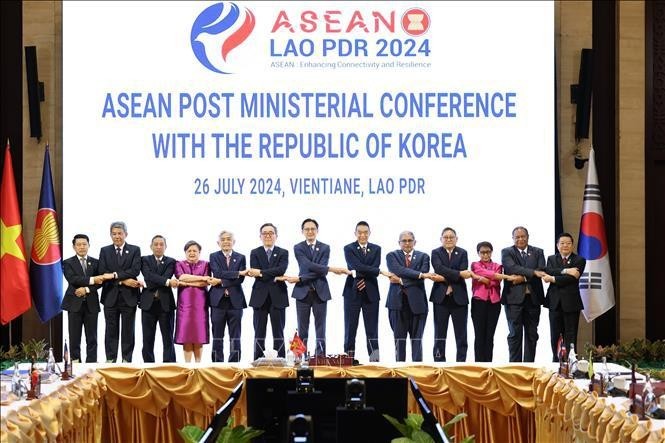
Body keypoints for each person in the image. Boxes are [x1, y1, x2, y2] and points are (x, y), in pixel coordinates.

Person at [285, 218, 349, 357]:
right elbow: (308, 265)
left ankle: (320, 357)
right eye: (307, 229)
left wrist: (302, 277)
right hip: (302, 292)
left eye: (313, 229)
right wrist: (330, 269)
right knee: (302, 328)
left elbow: (319, 270)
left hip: (320, 292)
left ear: (317, 231)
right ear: (302, 231)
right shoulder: (298, 247)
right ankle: (300, 357)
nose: (310, 231)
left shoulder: (325, 247)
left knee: (321, 328)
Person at [98, 221, 142, 363]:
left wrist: (115, 276)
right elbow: (103, 272)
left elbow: (134, 270)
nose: (117, 236)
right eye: (114, 234)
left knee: (128, 330)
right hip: (110, 296)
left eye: (120, 233)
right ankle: (110, 359)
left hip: (129, 297)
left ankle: (126, 359)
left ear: (126, 234)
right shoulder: (105, 251)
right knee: (111, 330)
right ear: (110, 235)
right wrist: (123, 280)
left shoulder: (135, 250)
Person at [501, 226, 546, 362]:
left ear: (527, 237)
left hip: (533, 299)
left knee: (532, 334)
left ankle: (529, 366)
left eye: (523, 236)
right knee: (515, 334)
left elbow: (541, 269)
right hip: (513, 299)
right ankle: (514, 368)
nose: (520, 239)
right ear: (513, 238)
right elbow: (511, 268)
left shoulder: (538, 251)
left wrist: (523, 278)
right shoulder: (507, 252)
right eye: (517, 237)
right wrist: (532, 273)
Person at [385, 231, 432, 362]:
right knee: (399, 342)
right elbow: (398, 270)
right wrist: (419, 275)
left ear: (414, 242)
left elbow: (423, 274)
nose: (407, 243)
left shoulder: (424, 256)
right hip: (397, 303)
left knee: (417, 341)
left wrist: (401, 281)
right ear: (399, 243)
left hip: (418, 304)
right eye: (404, 241)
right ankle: (400, 372)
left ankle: (417, 371)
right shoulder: (391, 256)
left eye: (410, 240)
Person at [542, 233, 586, 362]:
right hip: (554, 302)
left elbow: (572, 279)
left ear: (572, 245)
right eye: (562, 243)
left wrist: (553, 279)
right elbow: (547, 270)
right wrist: (565, 271)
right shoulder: (551, 258)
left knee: (571, 334)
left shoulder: (579, 260)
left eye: (568, 243)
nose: (565, 245)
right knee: (554, 335)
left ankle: (571, 362)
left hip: (571, 303)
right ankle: (556, 361)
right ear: (557, 245)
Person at [247, 223, 289, 360]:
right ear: (260, 236)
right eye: (265, 233)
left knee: (279, 332)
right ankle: (257, 360)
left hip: (278, 296)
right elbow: (254, 270)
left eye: (271, 233)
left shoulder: (283, 252)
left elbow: (281, 270)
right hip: (260, 297)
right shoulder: (255, 252)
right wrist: (266, 274)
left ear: (276, 236)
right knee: (259, 332)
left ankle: (281, 360)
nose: (268, 235)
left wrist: (261, 273)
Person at [429, 227, 472, 362]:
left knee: (461, 334)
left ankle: (461, 363)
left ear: (456, 239)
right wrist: (458, 274)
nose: (448, 239)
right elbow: (439, 268)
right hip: (440, 299)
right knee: (439, 334)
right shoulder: (435, 252)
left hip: (459, 298)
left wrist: (442, 277)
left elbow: (463, 270)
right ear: (441, 239)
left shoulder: (463, 253)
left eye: (451, 237)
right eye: (445, 237)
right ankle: (439, 363)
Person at [469, 241, 516, 362]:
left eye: (488, 252)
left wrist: (486, 279)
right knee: (479, 335)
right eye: (482, 252)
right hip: (479, 302)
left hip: (494, 303)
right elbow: (481, 272)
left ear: (491, 252)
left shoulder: (498, 266)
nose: (485, 255)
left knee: (490, 336)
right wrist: (492, 276)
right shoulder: (474, 264)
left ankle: (488, 363)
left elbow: (496, 281)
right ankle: (479, 364)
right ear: (478, 253)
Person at [61, 234, 104, 363]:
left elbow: (100, 281)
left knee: (92, 338)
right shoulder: (67, 262)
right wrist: (92, 279)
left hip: (91, 304)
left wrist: (87, 289)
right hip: (74, 304)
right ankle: (75, 365)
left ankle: (91, 366)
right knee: (74, 337)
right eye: (78, 244)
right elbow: (72, 279)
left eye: (84, 244)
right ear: (74, 247)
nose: (82, 247)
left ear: (89, 246)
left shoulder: (96, 262)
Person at [343, 221, 381, 362]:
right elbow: (355, 265)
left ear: (369, 233)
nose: (363, 235)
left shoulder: (377, 249)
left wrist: (361, 274)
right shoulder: (348, 248)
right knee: (350, 329)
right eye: (360, 232)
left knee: (372, 331)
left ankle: (374, 361)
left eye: (366, 232)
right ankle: (348, 360)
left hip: (371, 294)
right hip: (352, 293)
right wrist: (372, 271)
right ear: (355, 233)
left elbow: (374, 268)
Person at [209, 230, 248, 362]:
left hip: (235, 301)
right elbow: (217, 272)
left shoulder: (241, 257)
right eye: (223, 239)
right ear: (218, 242)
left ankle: (234, 363)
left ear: (233, 242)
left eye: (229, 239)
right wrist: (237, 272)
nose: (226, 241)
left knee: (235, 336)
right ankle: (217, 364)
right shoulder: (213, 256)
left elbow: (240, 280)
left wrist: (221, 280)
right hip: (218, 301)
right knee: (217, 336)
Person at [139, 235, 177, 363]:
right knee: (147, 338)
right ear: (151, 246)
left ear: (165, 247)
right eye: (156, 244)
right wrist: (167, 282)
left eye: (161, 244)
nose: (159, 247)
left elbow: (152, 278)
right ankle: (148, 366)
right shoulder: (144, 260)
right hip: (148, 304)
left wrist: (152, 281)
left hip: (166, 304)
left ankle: (170, 366)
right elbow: (147, 275)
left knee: (168, 338)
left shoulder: (171, 261)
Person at [174, 240, 210, 363]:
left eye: (195, 250)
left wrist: (187, 282)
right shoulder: (179, 263)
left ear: (199, 252)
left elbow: (204, 283)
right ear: (185, 252)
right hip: (185, 304)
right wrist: (201, 278)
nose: (192, 253)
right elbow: (181, 277)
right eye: (189, 250)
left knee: (199, 335)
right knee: (186, 335)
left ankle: (198, 365)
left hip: (201, 304)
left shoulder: (206, 264)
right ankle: (188, 365)